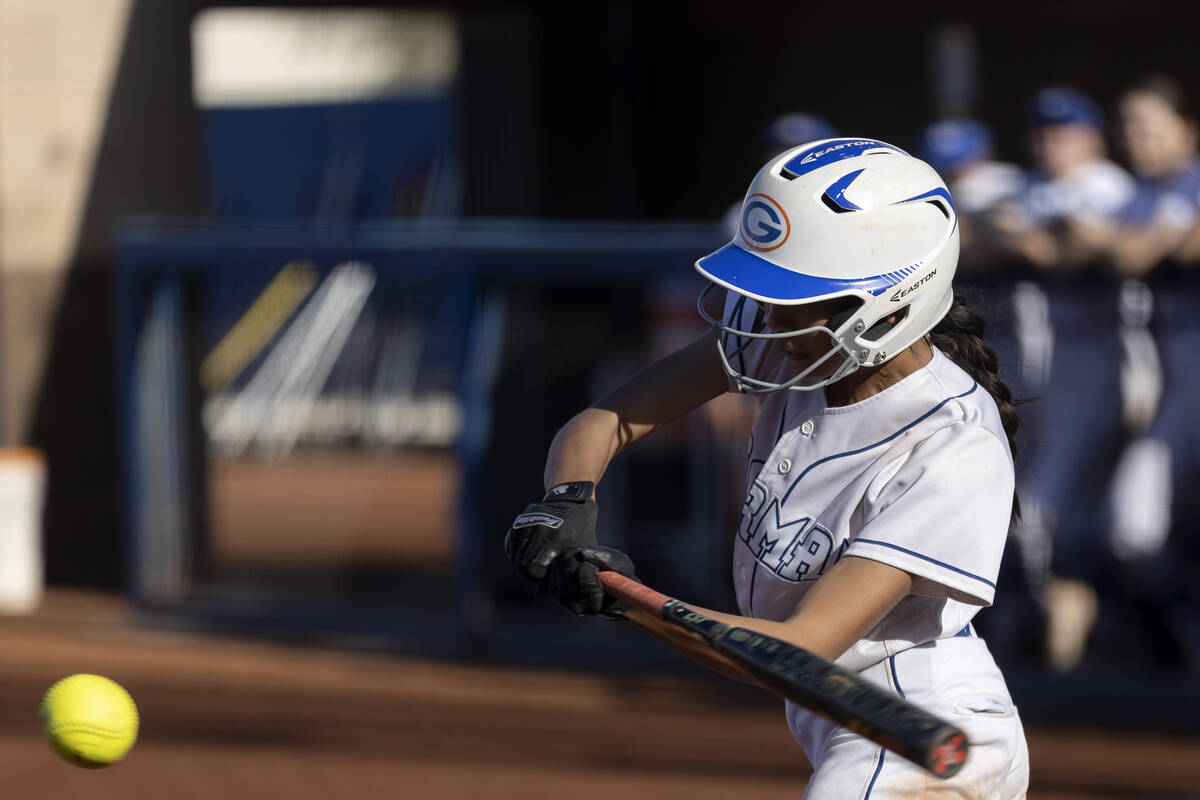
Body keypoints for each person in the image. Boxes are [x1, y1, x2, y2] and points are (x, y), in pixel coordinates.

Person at [506, 138, 1029, 797]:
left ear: (890, 301)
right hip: (846, 728)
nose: (772, 315)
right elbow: (605, 421)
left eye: (798, 294)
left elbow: (802, 650)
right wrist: (566, 500)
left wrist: (615, 597)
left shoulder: (953, 445)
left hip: (919, 735)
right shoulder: (795, 347)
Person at [1098, 74, 1200, 669]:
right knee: (1132, 522)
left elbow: (1139, 251)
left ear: (1186, 130)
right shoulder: (1136, 195)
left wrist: (1124, 241)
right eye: (1128, 128)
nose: (1135, 140)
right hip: (1177, 377)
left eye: (1149, 127)